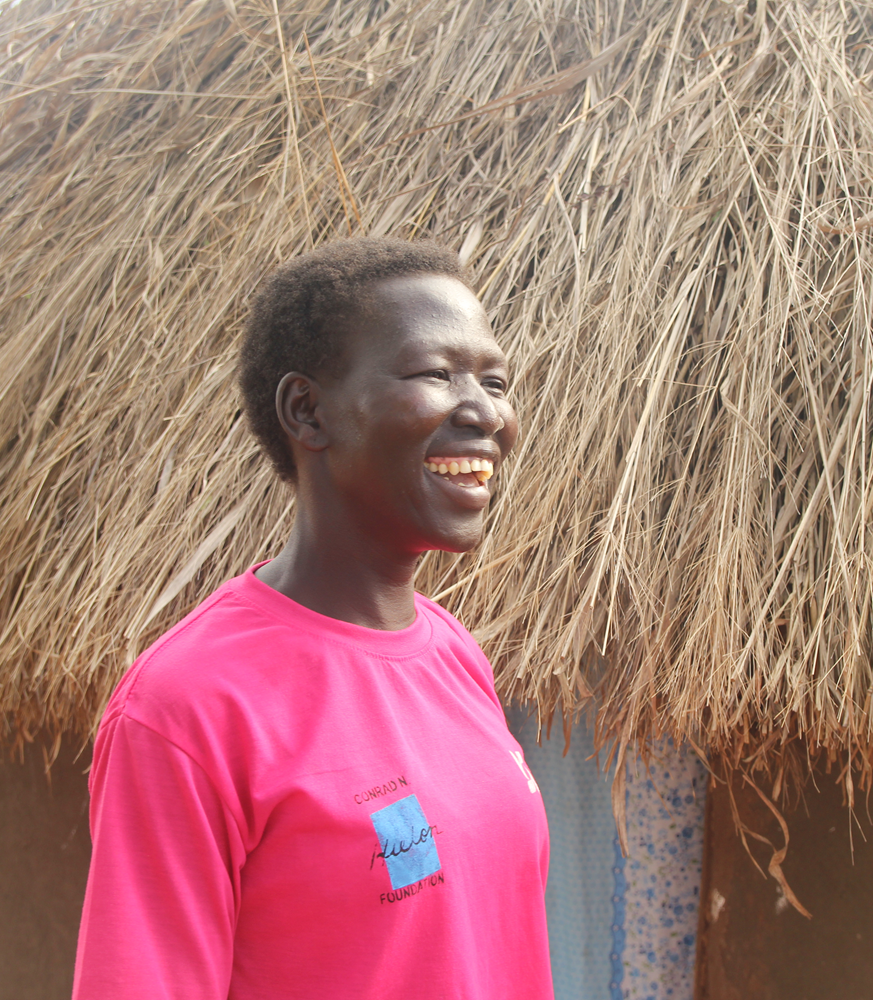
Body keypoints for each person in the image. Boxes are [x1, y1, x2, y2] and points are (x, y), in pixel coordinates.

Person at [71, 238, 554, 999]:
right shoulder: (188, 707)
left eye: (495, 381)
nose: (485, 412)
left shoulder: (457, 657)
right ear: (307, 410)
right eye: (435, 373)